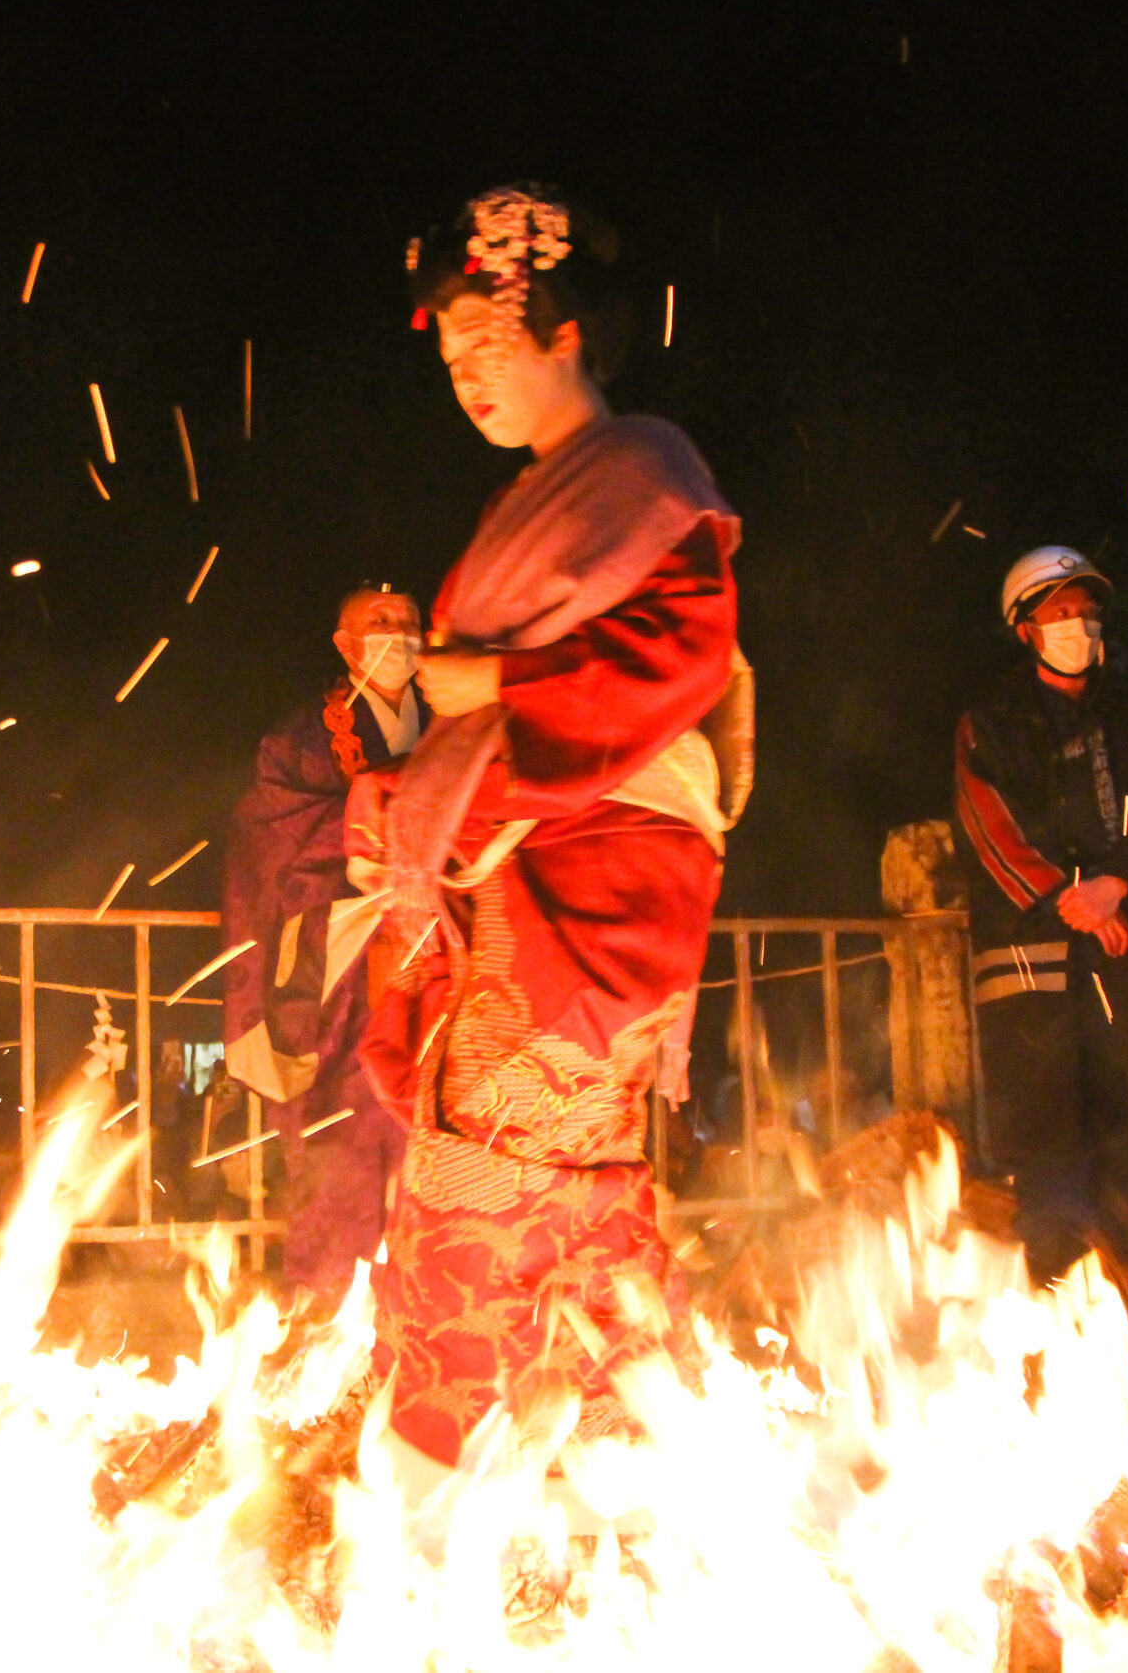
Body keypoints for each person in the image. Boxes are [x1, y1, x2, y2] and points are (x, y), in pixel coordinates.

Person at [347, 185, 752, 1472]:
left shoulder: (643, 471)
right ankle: (617, 1449)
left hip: (599, 860)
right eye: (451, 358)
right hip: (529, 860)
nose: (465, 377)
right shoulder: (533, 503)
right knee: (553, 1166)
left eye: (486, 346)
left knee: (505, 1153)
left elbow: (683, 655)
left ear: (563, 333)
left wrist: (500, 689)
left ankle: (459, 1462)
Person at [952, 545, 1128, 1281]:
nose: (1077, 625)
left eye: (1087, 612)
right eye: (1058, 613)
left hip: (1127, 957)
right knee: (1051, 1152)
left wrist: (1120, 885)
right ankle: (1055, 1314)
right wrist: (1074, 895)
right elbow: (992, 822)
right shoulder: (990, 723)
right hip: (1035, 966)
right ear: (1025, 628)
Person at [221, 584, 423, 1299]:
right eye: (379, 622)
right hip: (340, 967)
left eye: (407, 621)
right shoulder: (301, 739)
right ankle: (324, 1323)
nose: (398, 632)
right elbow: (272, 842)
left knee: (428, 1140)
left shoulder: (450, 727)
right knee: (344, 1136)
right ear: (344, 644)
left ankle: (423, 1321)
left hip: (433, 965)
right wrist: (382, 830)